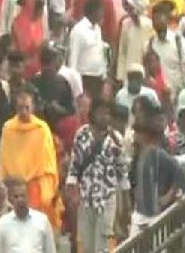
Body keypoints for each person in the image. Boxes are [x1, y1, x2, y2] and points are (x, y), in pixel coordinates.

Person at [66, 98, 129, 253]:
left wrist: (126, 206)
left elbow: (122, 174)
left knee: (103, 247)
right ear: (92, 114)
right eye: (101, 112)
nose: (104, 116)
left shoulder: (115, 138)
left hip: (106, 199)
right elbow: (75, 166)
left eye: (107, 113)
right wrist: (71, 190)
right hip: (86, 198)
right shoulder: (82, 134)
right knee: (86, 246)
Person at [0, 89, 61, 231]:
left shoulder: (42, 128)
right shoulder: (8, 128)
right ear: (15, 108)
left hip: (35, 185)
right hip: (13, 186)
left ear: (33, 107)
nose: (24, 111)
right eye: (20, 108)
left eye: (27, 107)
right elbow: (4, 159)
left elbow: (48, 162)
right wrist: (8, 181)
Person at [0, 177, 56, 253]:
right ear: (11, 199)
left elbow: (50, 250)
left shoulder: (42, 221)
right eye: (16, 196)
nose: (20, 200)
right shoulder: (2, 225)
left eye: (22, 196)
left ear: (28, 197)